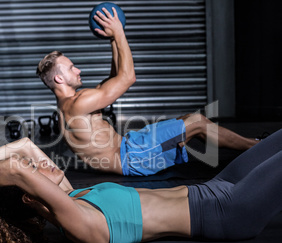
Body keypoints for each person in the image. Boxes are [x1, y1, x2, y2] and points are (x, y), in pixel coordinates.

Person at [0, 128, 282, 243]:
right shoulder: (80, 226)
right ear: (29, 195)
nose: (45, 163)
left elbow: (20, 147)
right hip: (230, 210)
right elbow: (15, 168)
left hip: (216, 188)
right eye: (39, 172)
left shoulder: (71, 199)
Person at [36, 7, 259, 176]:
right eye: (71, 67)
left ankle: (252, 146)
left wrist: (114, 39)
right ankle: (257, 147)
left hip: (131, 147)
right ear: (59, 78)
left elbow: (115, 79)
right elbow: (127, 78)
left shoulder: (69, 105)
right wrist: (120, 32)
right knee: (197, 123)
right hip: (132, 156)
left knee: (186, 122)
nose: (78, 69)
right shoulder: (79, 103)